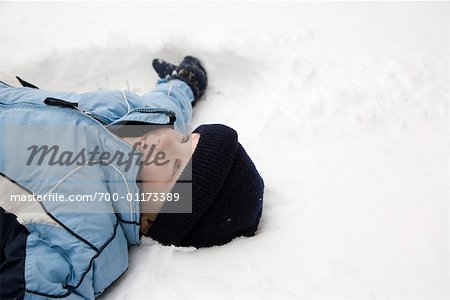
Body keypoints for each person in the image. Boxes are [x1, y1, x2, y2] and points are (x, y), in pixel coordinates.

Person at [0, 56, 264, 299]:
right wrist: (183, 83)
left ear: (151, 220)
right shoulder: (146, 121)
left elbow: (34, 286)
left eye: (173, 168)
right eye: (184, 138)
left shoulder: (84, 235)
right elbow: (170, 106)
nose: (163, 143)